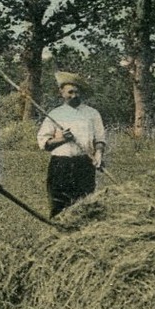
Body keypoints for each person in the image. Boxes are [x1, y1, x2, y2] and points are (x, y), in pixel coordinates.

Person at [36, 71, 107, 217]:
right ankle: (59, 233)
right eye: (70, 92)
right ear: (61, 92)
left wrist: (98, 153)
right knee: (59, 204)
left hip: (84, 164)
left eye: (77, 92)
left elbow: (100, 139)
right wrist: (62, 139)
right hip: (61, 165)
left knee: (85, 204)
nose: (74, 96)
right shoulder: (55, 114)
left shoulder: (92, 114)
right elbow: (44, 144)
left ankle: (82, 235)